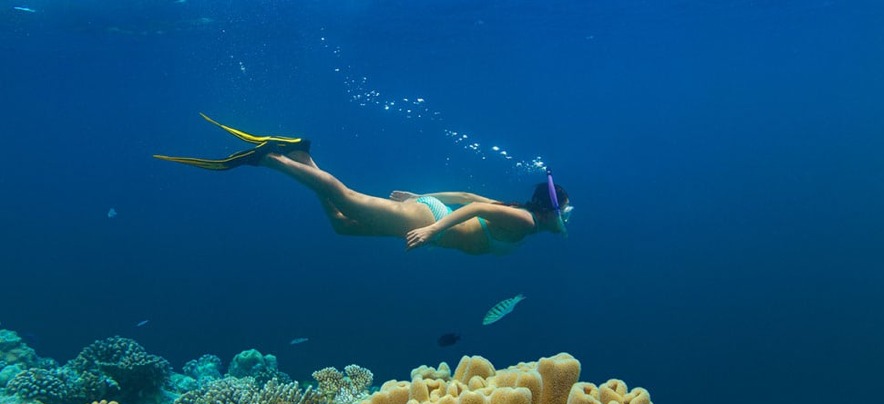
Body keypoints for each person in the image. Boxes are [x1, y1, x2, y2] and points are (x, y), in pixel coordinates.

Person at [154, 114, 572, 255]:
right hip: (431, 221)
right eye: (565, 212)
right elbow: (475, 209)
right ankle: (269, 158)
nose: (566, 219)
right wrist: (429, 225)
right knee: (349, 200)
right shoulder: (527, 224)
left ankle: (302, 155)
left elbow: (467, 196)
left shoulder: (521, 214)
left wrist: (420, 196)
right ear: (550, 210)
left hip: (430, 211)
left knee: (342, 224)